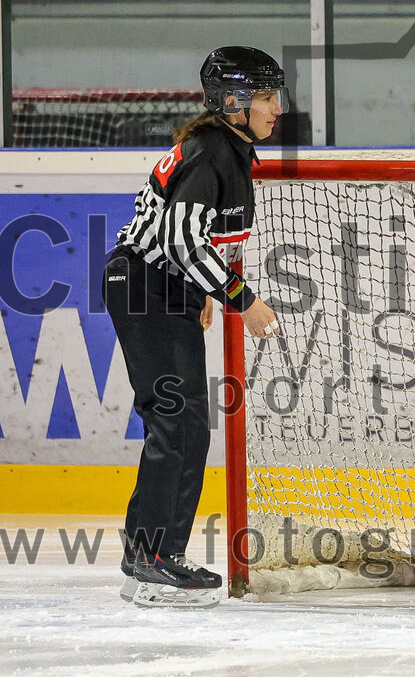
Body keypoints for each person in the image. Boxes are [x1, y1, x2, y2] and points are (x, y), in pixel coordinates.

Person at [104, 46, 286, 609]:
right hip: (145, 290)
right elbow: (183, 240)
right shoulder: (212, 153)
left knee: (187, 426)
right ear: (232, 100)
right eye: (264, 96)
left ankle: (151, 554)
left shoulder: (229, 149)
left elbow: (203, 237)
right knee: (176, 422)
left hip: (164, 289)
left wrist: (201, 288)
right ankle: (152, 556)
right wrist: (240, 298)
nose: (276, 108)